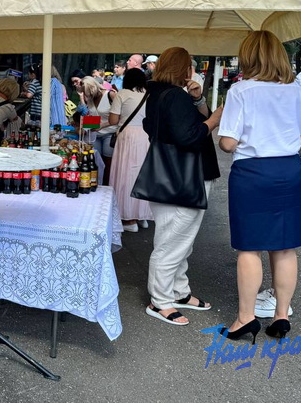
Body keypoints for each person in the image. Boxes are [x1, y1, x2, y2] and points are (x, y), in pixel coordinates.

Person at [217, 31, 301, 342]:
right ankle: (281, 315)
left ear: (249, 57)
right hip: (290, 169)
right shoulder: (297, 90)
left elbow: (228, 143)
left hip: (253, 172)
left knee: (250, 246)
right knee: (285, 245)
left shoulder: (240, 91)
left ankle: (245, 318)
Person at [142, 47, 223, 326]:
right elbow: (189, 136)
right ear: (183, 68)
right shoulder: (174, 95)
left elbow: (160, 128)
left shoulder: (159, 93)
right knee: (173, 241)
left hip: (171, 176)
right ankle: (160, 300)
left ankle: (178, 291)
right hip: (183, 177)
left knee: (180, 240)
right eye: (189, 64)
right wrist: (214, 120)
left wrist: (199, 100)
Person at [108, 68, 152, 232]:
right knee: (141, 176)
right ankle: (142, 216)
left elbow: (113, 120)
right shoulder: (149, 94)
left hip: (127, 137)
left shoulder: (122, 94)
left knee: (125, 176)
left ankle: (129, 219)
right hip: (145, 136)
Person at [81, 77, 115, 185]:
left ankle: (106, 184)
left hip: (110, 133)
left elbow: (120, 116)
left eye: (88, 94)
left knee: (107, 162)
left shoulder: (110, 95)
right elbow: (93, 116)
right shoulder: (90, 99)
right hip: (95, 134)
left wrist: (103, 125)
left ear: (93, 88)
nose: (87, 97)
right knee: (94, 160)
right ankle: (96, 183)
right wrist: (84, 128)